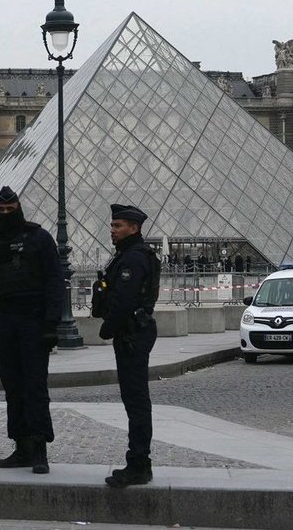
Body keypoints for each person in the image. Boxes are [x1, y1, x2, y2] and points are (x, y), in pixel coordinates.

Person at [0, 186, 62, 474]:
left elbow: (55, 284)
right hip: (5, 323)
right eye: (2, 211)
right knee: (13, 388)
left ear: (19, 208)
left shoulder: (40, 238)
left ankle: (39, 449)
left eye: (11, 210)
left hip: (33, 323)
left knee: (35, 386)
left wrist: (51, 325)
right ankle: (21, 447)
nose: (7, 214)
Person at [91, 204, 161, 488]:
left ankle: (139, 463)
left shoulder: (133, 259)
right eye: (112, 225)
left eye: (118, 225)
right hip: (133, 332)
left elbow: (124, 301)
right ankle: (139, 460)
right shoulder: (129, 255)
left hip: (131, 334)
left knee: (136, 400)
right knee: (134, 399)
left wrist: (107, 329)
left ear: (134, 228)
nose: (112, 230)